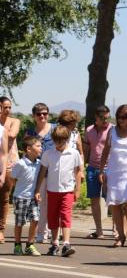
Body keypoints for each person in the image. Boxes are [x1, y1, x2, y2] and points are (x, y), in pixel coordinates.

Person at [34, 125, 82, 257]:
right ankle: (55, 243)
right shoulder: (48, 154)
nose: (58, 144)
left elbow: (78, 172)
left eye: (61, 141)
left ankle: (66, 243)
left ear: (67, 139)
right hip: (52, 190)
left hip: (67, 191)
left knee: (65, 216)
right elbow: (43, 172)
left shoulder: (74, 153)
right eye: (56, 141)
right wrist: (37, 189)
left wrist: (77, 189)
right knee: (53, 216)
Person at [99, 104, 127, 247]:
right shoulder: (112, 131)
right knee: (115, 203)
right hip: (114, 172)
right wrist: (101, 170)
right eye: (119, 117)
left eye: (124, 117)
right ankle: (120, 235)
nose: (121, 120)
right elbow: (105, 151)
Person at [26, 103, 55, 243]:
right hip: (37, 172)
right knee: (41, 203)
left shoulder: (55, 129)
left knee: (54, 203)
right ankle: (41, 233)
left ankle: (52, 231)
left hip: (55, 171)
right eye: (39, 114)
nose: (42, 116)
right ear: (34, 116)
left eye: (45, 113)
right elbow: (26, 153)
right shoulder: (30, 132)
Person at [83, 105, 112, 239]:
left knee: (112, 200)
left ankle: (116, 231)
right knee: (94, 200)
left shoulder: (113, 130)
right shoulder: (89, 130)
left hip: (109, 168)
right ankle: (99, 231)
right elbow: (86, 150)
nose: (105, 120)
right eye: (102, 118)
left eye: (107, 117)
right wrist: (83, 166)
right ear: (96, 118)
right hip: (93, 168)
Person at [10, 136, 42, 256]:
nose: (41, 148)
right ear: (29, 149)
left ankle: (30, 245)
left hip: (33, 197)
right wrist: (17, 192)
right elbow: (13, 178)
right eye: (38, 146)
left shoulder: (39, 163)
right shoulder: (21, 164)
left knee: (35, 219)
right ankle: (17, 245)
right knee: (20, 222)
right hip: (20, 197)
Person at [0, 96, 20, 244]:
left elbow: (12, 134)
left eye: (9, 107)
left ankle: (1, 230)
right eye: (4, 107)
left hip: (9, 164)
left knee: (5, 198)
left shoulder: (14, 121)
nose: (7, 110)